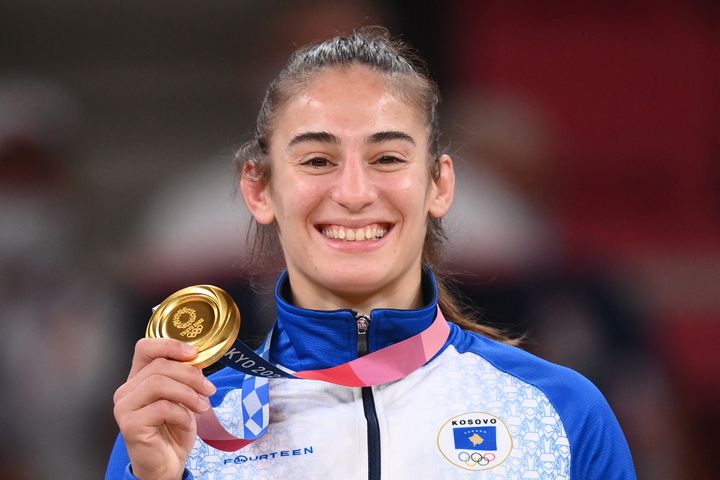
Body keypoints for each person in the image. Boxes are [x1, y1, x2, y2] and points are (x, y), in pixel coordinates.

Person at [106, 28, 636, 480]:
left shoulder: (559, 413)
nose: (355, 192)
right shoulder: (188, 424)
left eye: (387, 157)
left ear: (439, 184)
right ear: (260, 189)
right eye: (317, 159)